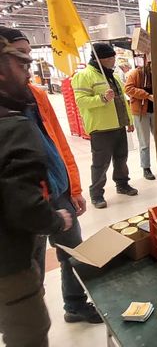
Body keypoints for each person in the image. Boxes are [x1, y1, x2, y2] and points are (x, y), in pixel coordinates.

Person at [0, 26, 103, 325]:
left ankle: (74, 305)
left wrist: (74, 186)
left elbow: (57, 142)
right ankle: (32, 306)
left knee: (72, 250)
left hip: (57, 189)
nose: (28, 66)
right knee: (30, 266)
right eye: (22, 59)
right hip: (26, 202)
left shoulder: (34, 96)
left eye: (30, 56)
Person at [0, 34, 74, 347]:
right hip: (9, 259)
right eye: (21, 61)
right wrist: (56, 219)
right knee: (28, 331)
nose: (29, 70)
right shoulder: (10, 125)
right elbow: (24, 206)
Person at [72, 43, 137, 209]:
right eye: (110, 57)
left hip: (118, 125)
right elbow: (81, 101)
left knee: (121, 159)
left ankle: (122, 184)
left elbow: (122, 100)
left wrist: (128, 120)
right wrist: (101, 99)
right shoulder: (84, 76)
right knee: (101, 163)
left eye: (113, 56)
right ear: (100, 59)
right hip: (101, 128)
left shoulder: (111, 76)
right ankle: (96, 194)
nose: (113, 60)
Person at [125, 59, 157, 179]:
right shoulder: (136, 73)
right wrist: (146, 95)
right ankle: (146, 168)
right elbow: (128, 89)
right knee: (144, 142)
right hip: (141, 112)